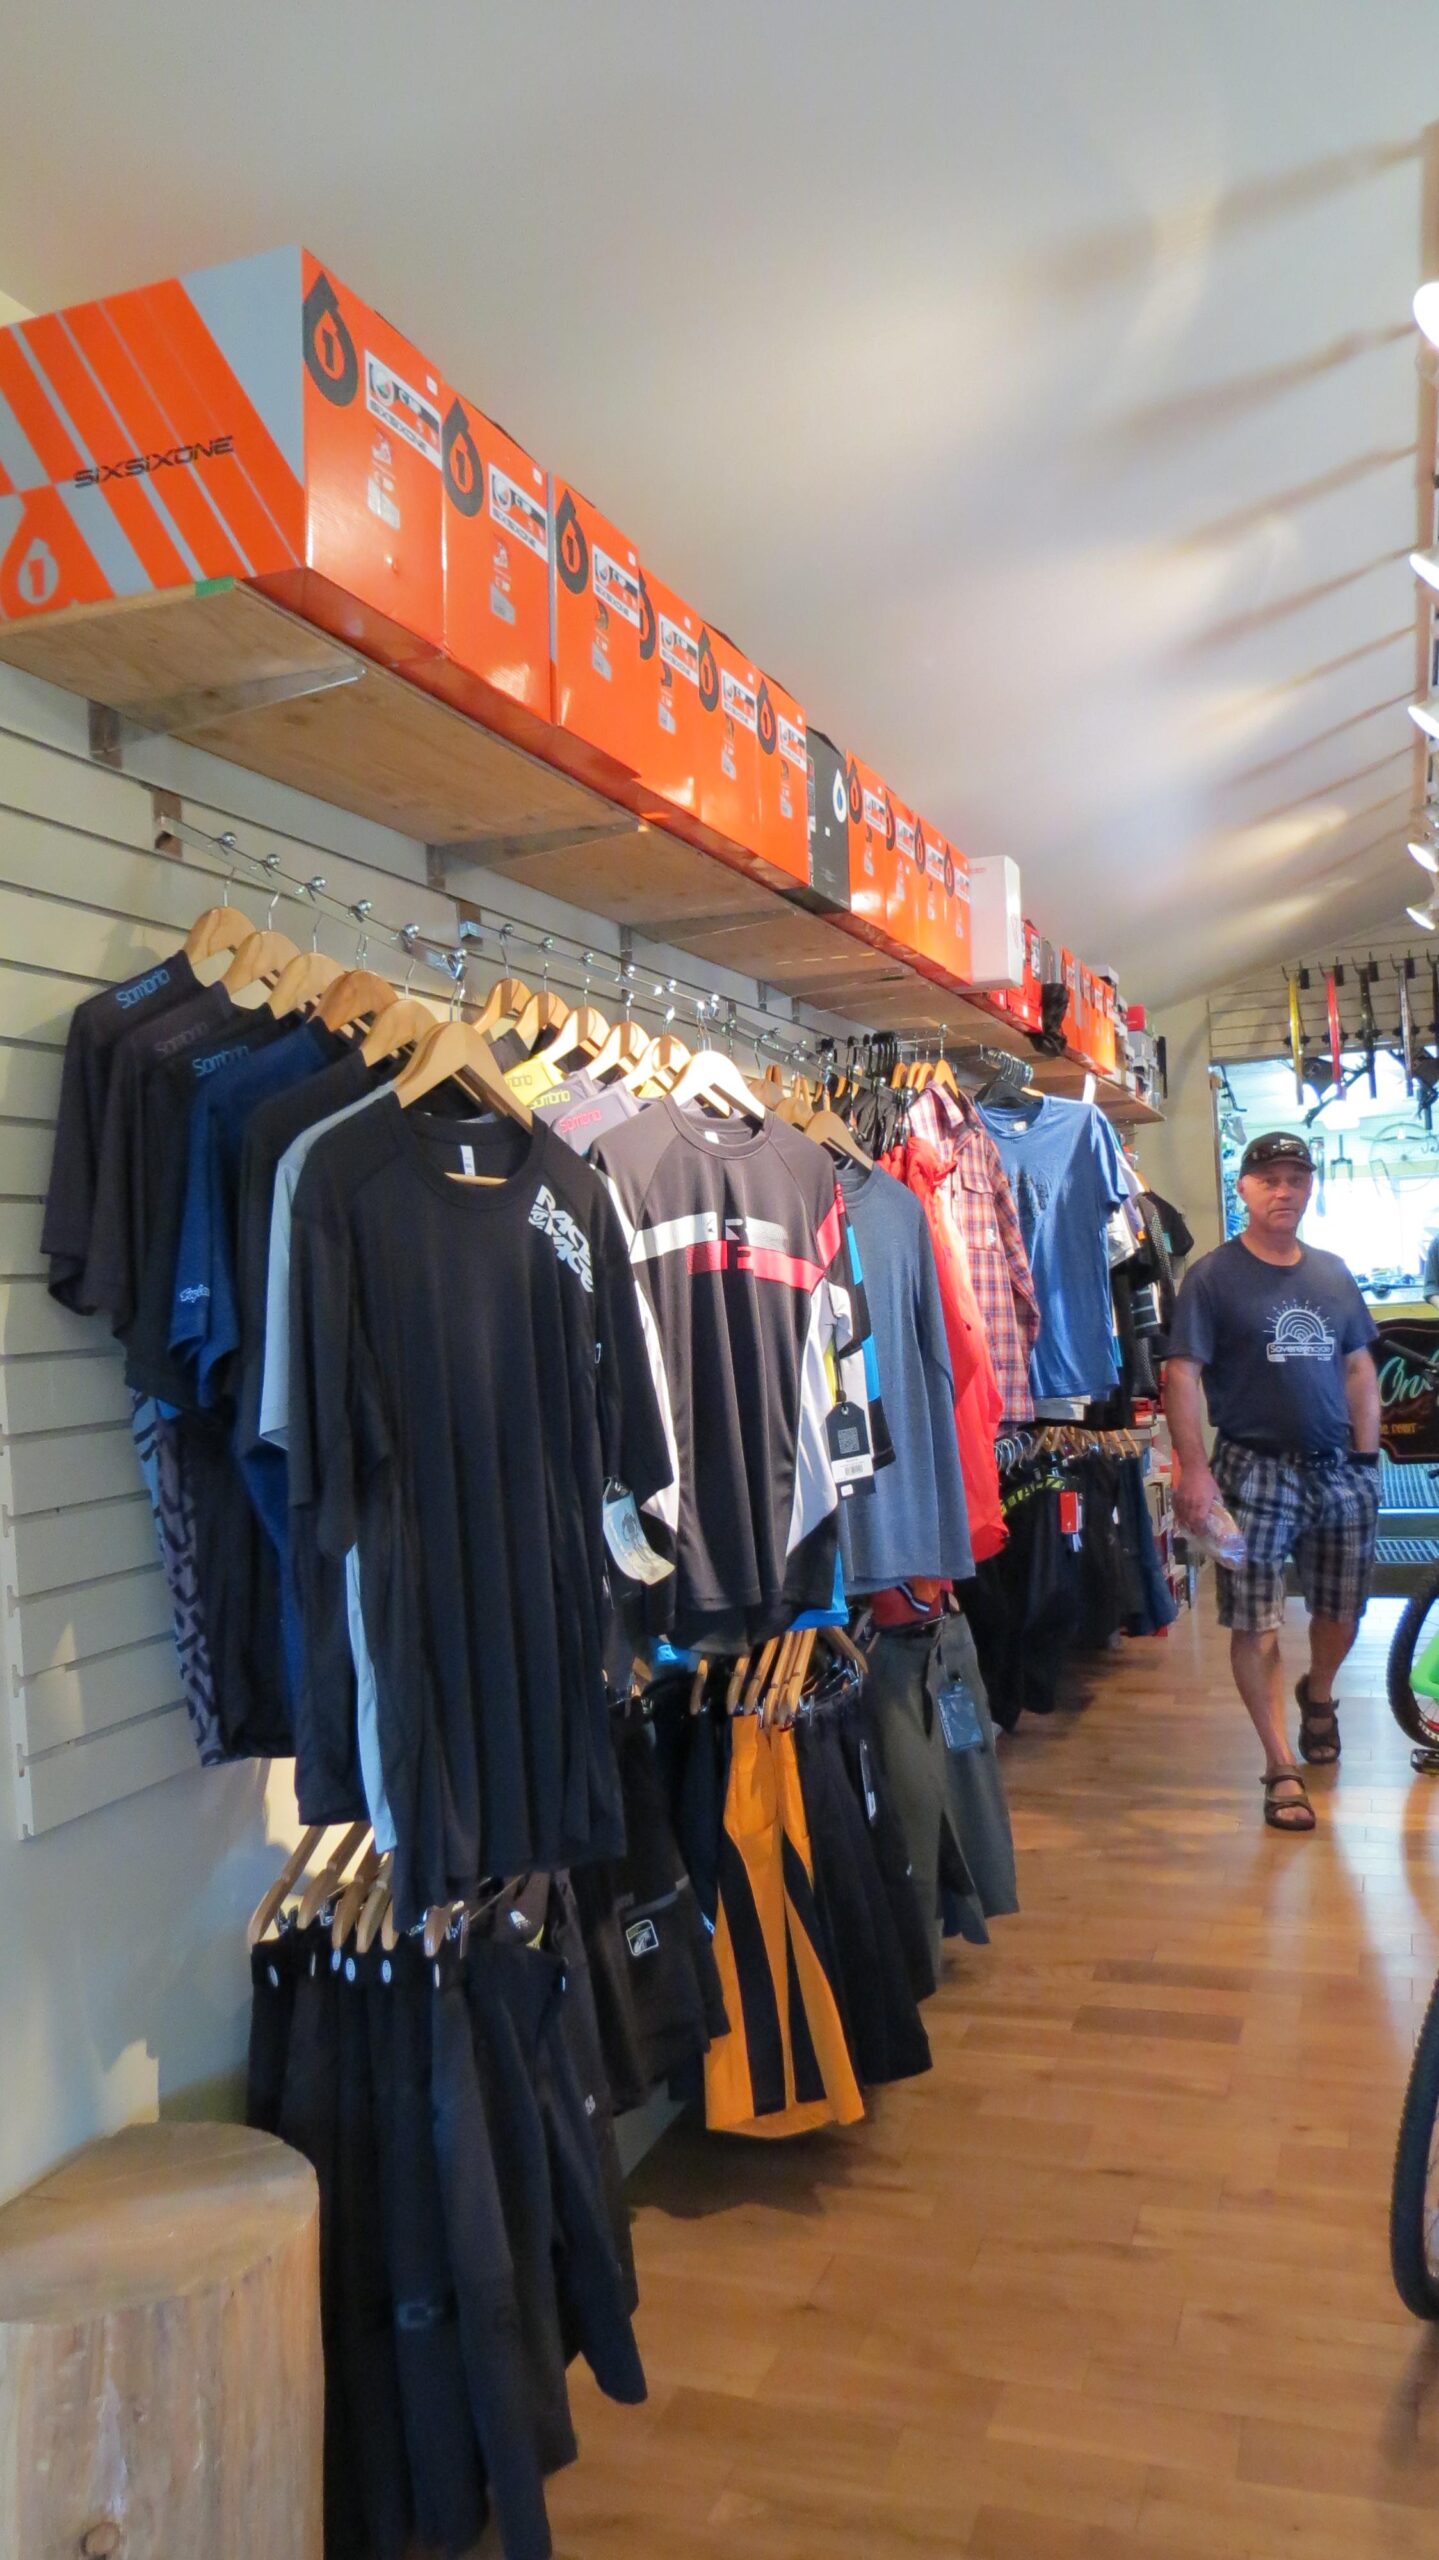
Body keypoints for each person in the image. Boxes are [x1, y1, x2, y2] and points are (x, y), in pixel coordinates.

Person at [1162, 1131, 1380, 1834]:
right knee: (1253, 1620)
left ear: (1308, 1187)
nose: (1283, 1190)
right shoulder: (1211, 1277)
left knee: (1341, 1612)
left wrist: (1367, 1462)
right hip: (1251, 1469)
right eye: (1269, 1179)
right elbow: (1181, 1374)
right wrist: (1193, 1470)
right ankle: (1278, 1761)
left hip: (1336, 1467)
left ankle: (1317, 1693)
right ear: (1244, 1189)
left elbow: (1357, 1370)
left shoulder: (1332, 1275)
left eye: (1295, 1178)